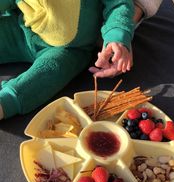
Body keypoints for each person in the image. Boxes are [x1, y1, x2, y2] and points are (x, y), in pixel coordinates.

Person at [0, 0, 162, 120]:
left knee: (50, 72)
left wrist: (117, 38)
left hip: (71, 49)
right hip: (22, 29)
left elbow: (119, 4)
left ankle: (6, 102)